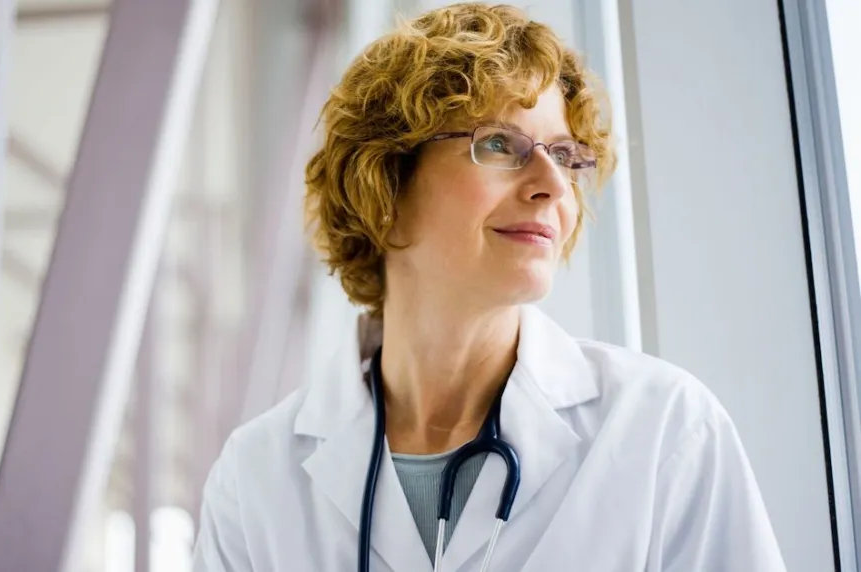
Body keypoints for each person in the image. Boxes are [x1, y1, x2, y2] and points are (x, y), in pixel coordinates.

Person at [193, 3, 786, 571]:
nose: (553, 185)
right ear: (385, 185)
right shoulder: (258, 477)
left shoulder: (664, 432)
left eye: (564, 154)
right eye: (500, 145)